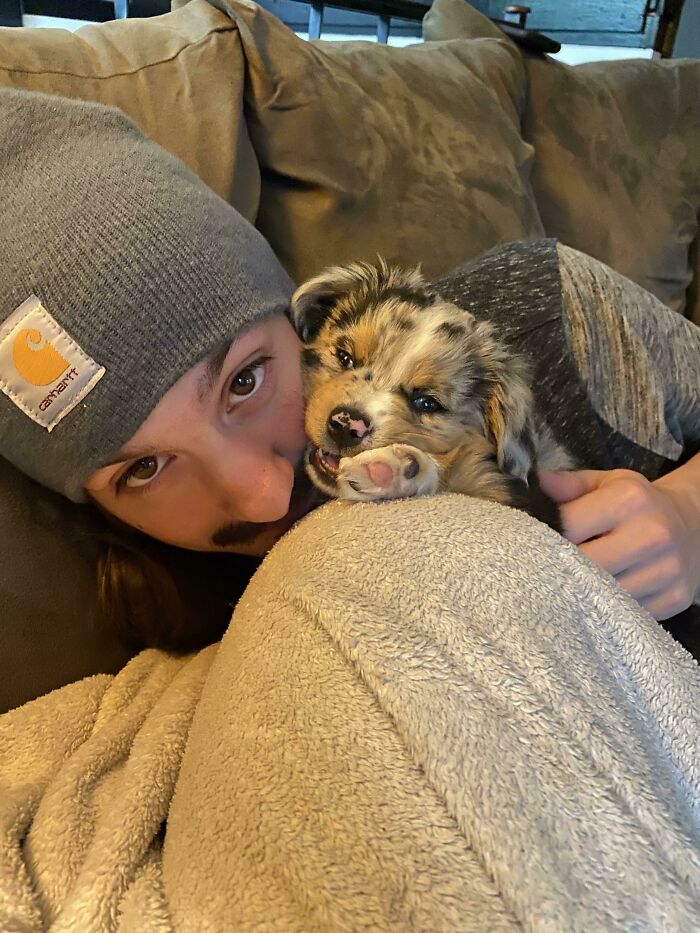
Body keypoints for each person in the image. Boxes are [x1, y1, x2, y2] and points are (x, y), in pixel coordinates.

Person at [0, 88, 698, 653]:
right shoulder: (161, 613)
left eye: (246, 379)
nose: (268, 495)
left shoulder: (550, 308)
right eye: (143, 469)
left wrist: (690, 514)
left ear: (303, 318)